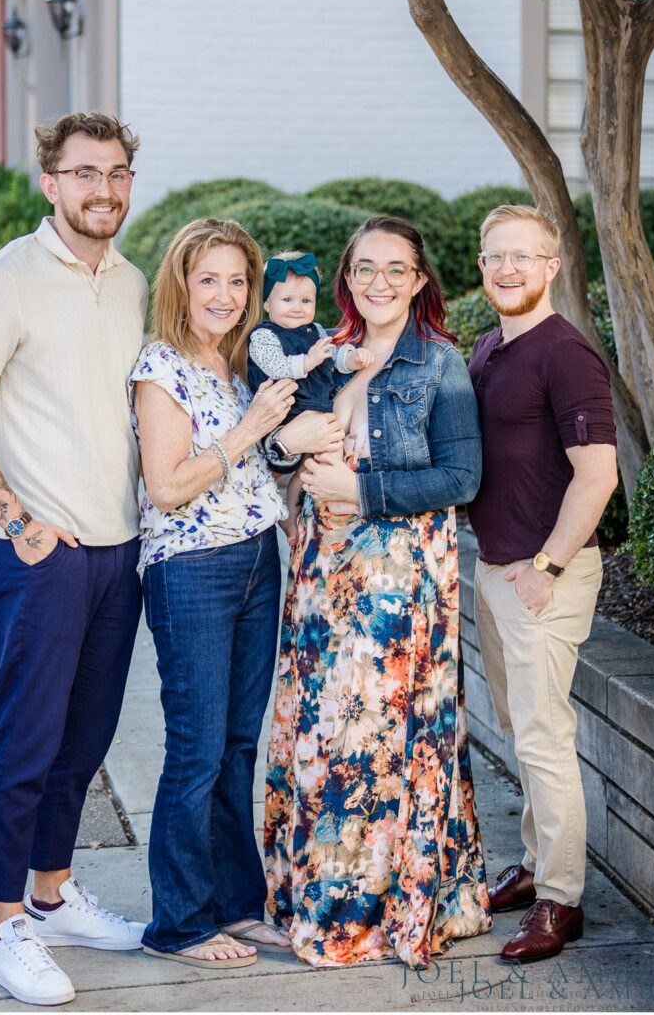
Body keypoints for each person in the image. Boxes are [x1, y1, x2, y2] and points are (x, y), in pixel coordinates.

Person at [0, 112, 150, 1007]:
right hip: (41, 552)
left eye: (118, 173)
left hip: (118, 548)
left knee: (86, 736)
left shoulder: (134, 279)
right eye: (85, 173)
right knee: (24, 741)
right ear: (50, 182)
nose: (105, 189)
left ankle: (53, 898)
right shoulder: (5, 280)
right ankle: (4, 926)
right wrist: (18, 518)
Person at [264, 214, 493, 968]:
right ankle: (313, 893)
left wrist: (362, 490)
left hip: (394, 582)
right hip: (322, 572)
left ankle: (367, 912)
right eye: (365, 268)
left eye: (397, 269)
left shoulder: (439, 365)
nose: (380, 282)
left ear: (421, 280)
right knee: (321, 736)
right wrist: (293, 466)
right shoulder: (327, 355)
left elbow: (461, 478)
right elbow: (281, 440)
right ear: (347, 279)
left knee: (372, 742)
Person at [129, 218, 344, 969]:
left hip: (255, 562)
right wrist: (250, 430)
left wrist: (284, 496)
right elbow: (167, 486)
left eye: (237, 281)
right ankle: (178, 923)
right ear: (181, 287)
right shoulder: (162, 368)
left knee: (237, 745)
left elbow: (256, 468)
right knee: (195, 748)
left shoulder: (230, 365)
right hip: (193, 569)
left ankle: (234, 904)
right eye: (208, 279)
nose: (225, 295)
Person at [466, 204, 617, 964]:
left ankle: (561, 901)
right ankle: (533, 866)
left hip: (542, 577)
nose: (509, 269)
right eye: (496, 257)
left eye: (524, 256)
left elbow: (598, 474)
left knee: (546, 738)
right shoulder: (492, 346)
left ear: (551, 266)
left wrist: (549, 566)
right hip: (497, 568)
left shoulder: (567, 354)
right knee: (523, 731)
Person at [247, 251, 374, 538]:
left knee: (310, 467)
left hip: (317, 408)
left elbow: (334, 356)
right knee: (326, 452)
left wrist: (352, 358)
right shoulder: (264, 336)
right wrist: (308, 361)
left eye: (306, 301)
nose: (297, 307)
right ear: (267, 303)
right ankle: (333, 499)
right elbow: (275, 366)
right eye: (287, 300)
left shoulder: (315, 331)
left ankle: (291, 511)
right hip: (286, 413)